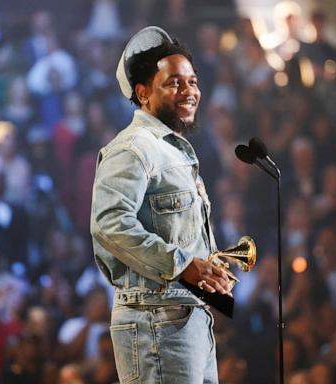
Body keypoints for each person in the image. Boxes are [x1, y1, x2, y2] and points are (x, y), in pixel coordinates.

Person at [90, 26, 231, 383]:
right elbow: (109, 224)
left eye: (193, 81)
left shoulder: (174, 149)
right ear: (143, 93)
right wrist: (183, 265)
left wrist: (210, 272)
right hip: (155, 322)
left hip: (190, 319)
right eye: (174, 83)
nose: (189, 91)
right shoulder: (132, 149)